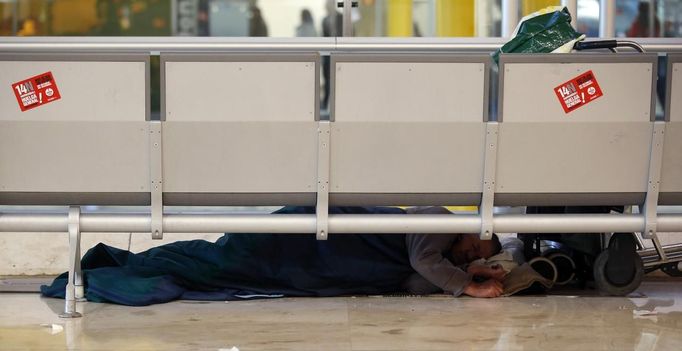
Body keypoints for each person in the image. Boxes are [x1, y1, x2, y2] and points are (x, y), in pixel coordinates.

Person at [42, 206, 503, 305]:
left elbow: (416, 281)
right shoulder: (439, 221)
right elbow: (426, 265)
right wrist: (469, 286)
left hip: (309, 264)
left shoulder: (445, 256)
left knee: (211, 267)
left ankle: (124, 266)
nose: (468, 255)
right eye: (475, 248)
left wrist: (467, 274)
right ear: (473, 229)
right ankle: (114, 266)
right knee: (212, 261)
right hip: (298, 244)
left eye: (474, 257)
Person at [321, 0, 343, 110]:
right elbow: (323, 37)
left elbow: (350, 33)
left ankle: (336, 104)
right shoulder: (324, 20)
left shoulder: (342, 18)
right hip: (327, 55)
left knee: (338, 79)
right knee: (327, 79)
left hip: (339, 53)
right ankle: (326, 103)